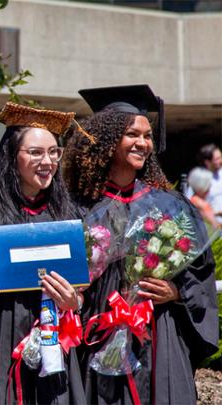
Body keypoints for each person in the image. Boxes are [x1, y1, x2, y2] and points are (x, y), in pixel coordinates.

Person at [63, 84, 218, 404]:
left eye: (148, 136)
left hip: (158, 337)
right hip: (98, 336)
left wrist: (176, 293)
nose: (143, 143)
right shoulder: (77, 207)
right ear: (108, 140)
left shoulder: (170, 207)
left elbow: (201, 275)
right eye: (133, 134)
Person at [0, 102, 86, 404]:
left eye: (54, 152)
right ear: (11, 156)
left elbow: (84, 288)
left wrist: (75, 301)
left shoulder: (65, 212)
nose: (47, 161)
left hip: (52, 342)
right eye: (35, 152)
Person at [195, 144, 222, 220]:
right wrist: (217, 213)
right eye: (217, 159)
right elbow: (192, 208)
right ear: (207, 162)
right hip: (213, 228)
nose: (221, 161)